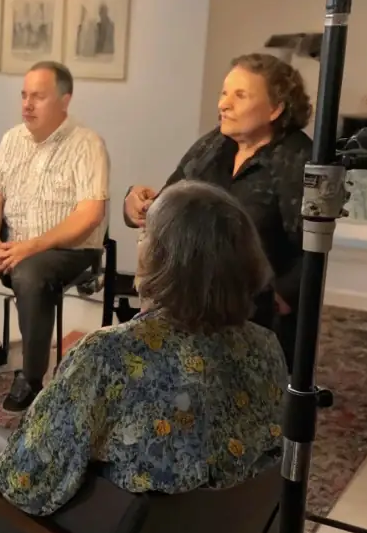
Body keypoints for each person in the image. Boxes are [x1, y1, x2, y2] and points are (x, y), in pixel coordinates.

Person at [0, 181, 287, 518]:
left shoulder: (108, 355)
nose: (138, 242)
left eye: (145, 234)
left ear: (163, 257)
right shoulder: (266, 347)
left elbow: (27, 482)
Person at [0, 61, 109, 412]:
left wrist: (30, 247)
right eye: (24, 95)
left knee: (29, 273)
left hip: (69, 248)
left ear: (64, 100)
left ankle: (31, 377)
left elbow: (90, 215)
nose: (27, 105)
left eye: (38, 97)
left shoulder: (87, 143)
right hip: (13, 240)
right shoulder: (12, 139)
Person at [124, 53, 312, 362]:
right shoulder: (213, 144)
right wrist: (136, 203)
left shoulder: (297, 158)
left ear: (275, 108)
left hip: (255, 316)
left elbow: (312, 246)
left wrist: (284, 295)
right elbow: (170, 204)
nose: (224, 104)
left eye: (240, 95)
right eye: (224, 93)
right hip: (189, 301)